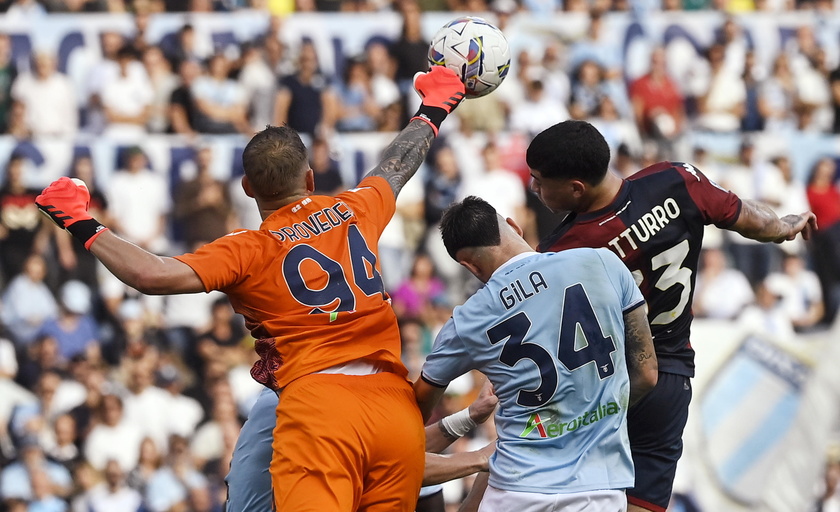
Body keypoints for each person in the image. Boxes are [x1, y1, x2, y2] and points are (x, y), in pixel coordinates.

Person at [36, 65, 466, 512]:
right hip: (393, 407)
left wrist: (80, 221)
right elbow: (395, 165)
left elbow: (152, 274)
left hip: (320, 408)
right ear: (311, 179)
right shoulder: (355, 207)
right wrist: (432, 109)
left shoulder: (247, 249)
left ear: (246, 188)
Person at [525, 120, 817, 512]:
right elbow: (753, 220)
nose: (534, 188)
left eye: (540, 180)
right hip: (672, 376)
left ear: (576, 187)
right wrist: (783, 226)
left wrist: (517, 262)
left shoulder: (563, 251)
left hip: (607, 385)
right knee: (644, 502)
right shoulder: (677, 179)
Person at [413, 196, 658, 510]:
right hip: (599, 489)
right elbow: (648, 374)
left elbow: (415, 410)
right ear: (515, 227)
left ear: (469, 265)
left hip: (517, 489)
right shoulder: (603, 262)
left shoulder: (466, 320)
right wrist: (587, 418)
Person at [224, 379, 499, 512]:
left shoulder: (319, 381)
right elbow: (390, 463)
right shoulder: (306, 394)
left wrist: (471, 416)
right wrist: (480, 459)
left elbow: (393, 450)